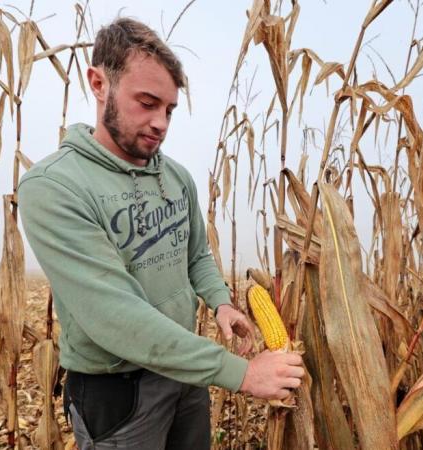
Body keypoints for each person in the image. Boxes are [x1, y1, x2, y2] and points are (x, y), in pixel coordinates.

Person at [18, 17, 304, 450]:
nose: (161, 123)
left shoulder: (176, 177)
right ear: (99, 83)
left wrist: (220, 302)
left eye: (168, 109)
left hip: (186, 371)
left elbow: (195, 255)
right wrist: (242, 373)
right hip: (120, 392)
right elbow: (115, 316)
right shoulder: (55, 187)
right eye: (147, 103)